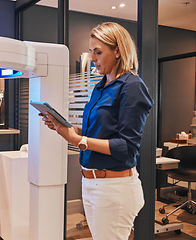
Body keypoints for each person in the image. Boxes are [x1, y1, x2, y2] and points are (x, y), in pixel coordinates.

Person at [40, 22, 154, 240]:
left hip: (114, 188)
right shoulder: (101, 86)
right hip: (91, 182)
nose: (92, 58)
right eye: (91, 51)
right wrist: (67, 128)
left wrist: (79, 140)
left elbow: (127, 148)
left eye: (98, 52)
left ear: (118, 51)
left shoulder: (132, 86)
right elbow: (99, 131)